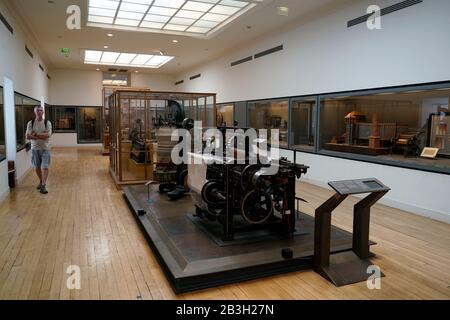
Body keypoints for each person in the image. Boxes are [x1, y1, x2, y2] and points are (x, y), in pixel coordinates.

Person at [25, 106, 52, 194]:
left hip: (45, 148)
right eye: (38, 110)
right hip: (35, 148)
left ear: (43, 112)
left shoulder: (47, 122)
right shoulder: (31, 123)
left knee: (45, 167)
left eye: (41, 110)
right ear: (35, 112)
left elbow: (47, 135)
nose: (39, 112)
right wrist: (41, 135)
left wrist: (35, 134)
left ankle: (43, 185)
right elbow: (28, 136)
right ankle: (41, 181)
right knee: (36, 167)